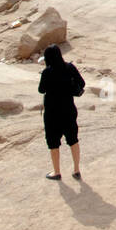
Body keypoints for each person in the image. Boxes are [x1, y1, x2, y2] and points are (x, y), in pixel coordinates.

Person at [39, 45, 84, 181]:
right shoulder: (70, 67)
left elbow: (41, 90)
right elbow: (81, 83)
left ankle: (56, 172)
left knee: (53, 142)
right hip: (68, 109)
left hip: (52, 112)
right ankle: (76, 170)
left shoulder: (47, 72)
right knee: (73, 139)